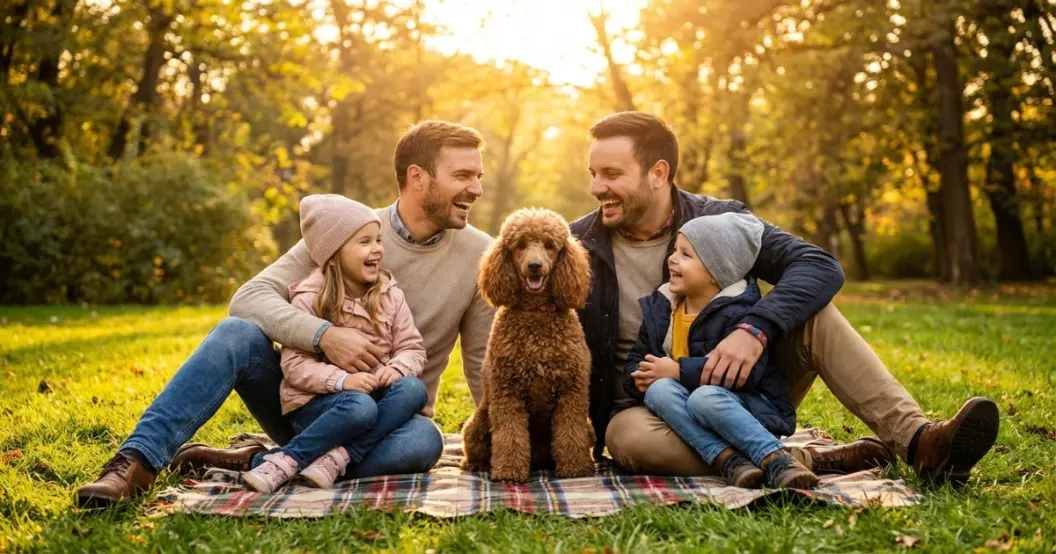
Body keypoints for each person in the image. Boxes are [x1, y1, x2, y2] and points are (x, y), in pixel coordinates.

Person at [76, 120, 494, 506]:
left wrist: (510, 441)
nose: (476, 188)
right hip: (311, 404)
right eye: (462, 176)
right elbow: (250, 297)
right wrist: (324, 335)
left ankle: (267, 462)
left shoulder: (481, 254)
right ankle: (135, 465)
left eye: (477, 176)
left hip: (391, 422)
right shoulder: (349, 230)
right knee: (236, 333)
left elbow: (483, 363)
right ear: (417, 177)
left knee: (425, 442)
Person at [571, 111, 998, 484]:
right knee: (626, 438)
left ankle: (921, 443)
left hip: (745, 389)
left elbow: (819, 266)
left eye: (611, 174)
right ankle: (800, 460)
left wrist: (754, 329)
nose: (596, 187)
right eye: (593, 173)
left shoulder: (719, 222)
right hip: (649, 409)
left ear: (658, 173)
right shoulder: (575, 243)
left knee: (815, 315)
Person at [241, 195, 428, 493]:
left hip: (373, 403)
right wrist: (343, 381)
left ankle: (336, 457)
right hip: (320, 409)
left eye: (378, 240)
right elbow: (295, 368)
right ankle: (287, 459)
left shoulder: (391, 293)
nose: (377, 249)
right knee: (359, 407)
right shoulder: (309, 298)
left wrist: (397, 368)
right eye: (364, 242)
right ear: (334, 253)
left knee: (416, 396)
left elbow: (412, 348)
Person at [626, 213, 817, 489]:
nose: (672, 259)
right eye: (674, 251)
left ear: (717, 272)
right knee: (658, 390)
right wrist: (639, 375)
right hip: (687, 409)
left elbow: (746, 376)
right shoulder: (662, 306)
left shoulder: (740, 314)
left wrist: (678, 371)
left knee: (704, 397)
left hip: (745, 406)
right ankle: (727, 460)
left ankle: (776, 459)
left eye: (686, 255)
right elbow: (638, 356)